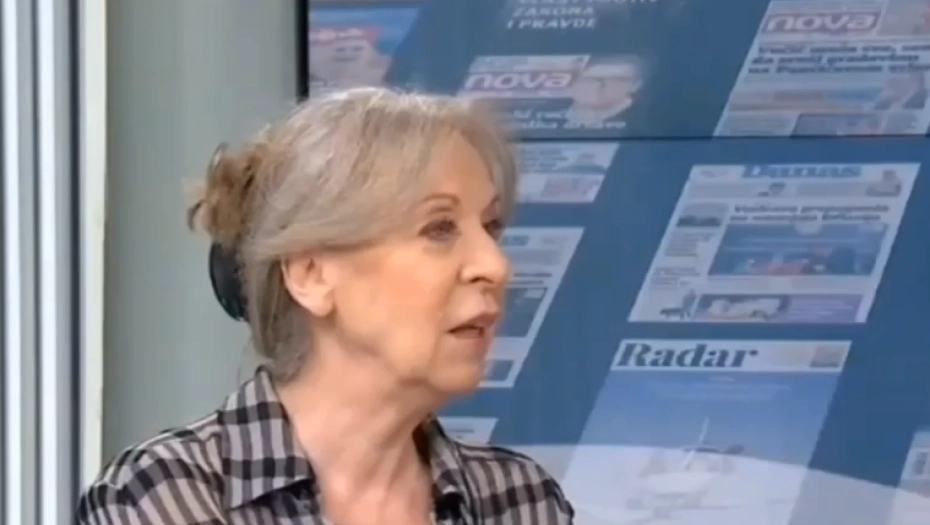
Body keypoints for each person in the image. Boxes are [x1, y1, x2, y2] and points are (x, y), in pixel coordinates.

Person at [75, 87, 575, 524]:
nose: (495, 265)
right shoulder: (166, 496)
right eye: (439, 228)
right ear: (311, 274)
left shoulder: (520, 501)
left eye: (490, 228)